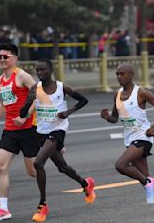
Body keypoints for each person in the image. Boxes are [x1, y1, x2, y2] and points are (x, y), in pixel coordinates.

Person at [16, 59, 95, 222]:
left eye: (43, 70)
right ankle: (85, 184)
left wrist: (68, 112)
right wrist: (29, 99)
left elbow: (83, 100)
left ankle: (42, 205)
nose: (39, 73)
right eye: (37, 70)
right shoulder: (35, 88)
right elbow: (23, 113)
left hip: (58, 130)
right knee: (62, 167)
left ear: (50, 70)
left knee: (38, 163)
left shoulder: (61, 87)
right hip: (41, 132)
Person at [101, 63, 154, 223]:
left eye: (123, 74)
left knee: (120, 165)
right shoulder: (117, 94)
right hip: (130, 139)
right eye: (117, 74)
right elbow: (115, 118)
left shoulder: (141, 93)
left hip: (143, 137)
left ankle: (148, 183)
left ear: (131, 75)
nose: (120, 77)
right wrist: (107, 116)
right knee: (146, 181)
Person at [0, 43, 39, 221]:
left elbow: (38, 96)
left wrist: (25, 116)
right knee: (1, 167)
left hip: (28, 129)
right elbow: (3, 103)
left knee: (33, 171)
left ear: (14, 58)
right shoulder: (1, 80)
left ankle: (56, 158)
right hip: (10, 130)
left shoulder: (22, 76)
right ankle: (3, 209)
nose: (1, 59)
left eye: (5, 57)